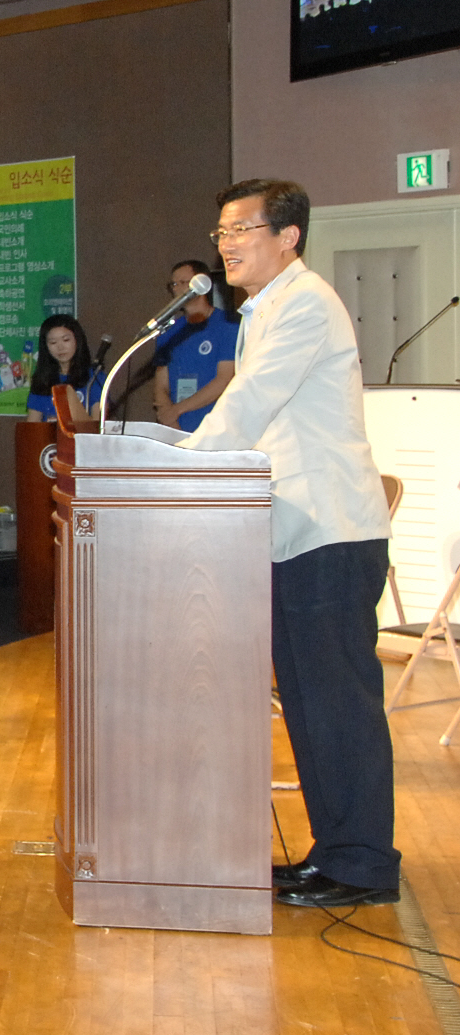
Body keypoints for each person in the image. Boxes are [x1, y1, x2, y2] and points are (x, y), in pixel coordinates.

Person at [184, 179, 396, 909]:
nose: (227, 244)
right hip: (293, 535)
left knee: (338, 705)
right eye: (221, 232)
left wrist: (184, 467)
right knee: (308, 706)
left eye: (241, 229)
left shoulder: (305, 304)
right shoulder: (264, 309)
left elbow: (250, 403)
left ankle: (363, 864)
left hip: (329, 534)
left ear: (288, 236)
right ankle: (334, 853)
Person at [152, 259, 239, 431]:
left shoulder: (227, 326)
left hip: (216, 428)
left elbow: (225, 380)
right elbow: (160, 385)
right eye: (174, 284)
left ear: (203, 285)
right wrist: (169, 419)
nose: (177, 289)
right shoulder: (169, 332)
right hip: (177, 429)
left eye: (183, 283)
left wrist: (177, 410)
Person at [24, 315, 102, 424]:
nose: (60, 347)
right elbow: (32, 425)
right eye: (53, 342)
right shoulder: (42, 379)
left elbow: (97, 424)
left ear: (77, 340)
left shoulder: (94, 377)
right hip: (50, 435)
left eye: (66, 340)